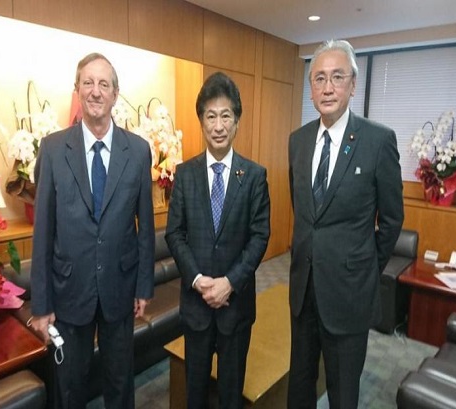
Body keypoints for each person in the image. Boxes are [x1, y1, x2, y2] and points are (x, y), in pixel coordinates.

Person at [29, 53, 155, 409]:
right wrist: (41, 304)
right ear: (77, 90)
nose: (96, 91)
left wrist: (144, 285)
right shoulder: (53, 149)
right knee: (69, 386)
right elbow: (43, 232)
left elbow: (145, 225)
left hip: (120, 286)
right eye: (88, 82)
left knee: (119, 382)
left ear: (116, 94)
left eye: (104, 84)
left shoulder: (139, 151)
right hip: (68, 290)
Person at [287, 39, 404, 409]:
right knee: (300, 385)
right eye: (319, 78)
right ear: (310, 88)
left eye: (337, 77)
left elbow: (391, 219)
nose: (327, 87)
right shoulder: (298, 141)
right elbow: (305, 211)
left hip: (349, 294)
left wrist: (365, 268)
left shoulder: (378, 140)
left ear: (353, 84)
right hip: (304, 290)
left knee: (342, 394)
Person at [165, 72, 270, 409]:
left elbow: (259, 236)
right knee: (193, 392)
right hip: (196, 307)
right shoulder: (184, 174)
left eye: (226, 115)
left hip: (235, 307)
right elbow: (174, 234)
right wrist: (197, 280)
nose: (219, 124)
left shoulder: (254, 176)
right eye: (211, 116)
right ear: (201, 121)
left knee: (230, 394)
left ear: (237, 121)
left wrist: (229, 282)